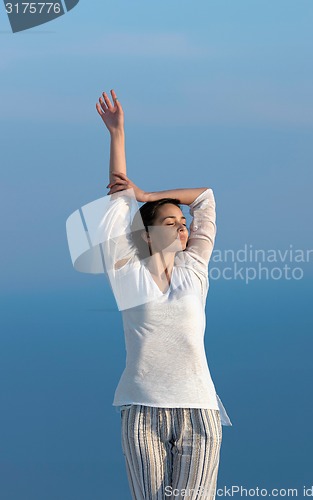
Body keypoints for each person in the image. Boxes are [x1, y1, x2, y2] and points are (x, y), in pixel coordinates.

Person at [66, 89, 232, 499]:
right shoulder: (127, 274)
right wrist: (117, 135)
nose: (182, 227)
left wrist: (151, 196)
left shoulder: (194, 270)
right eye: (170, 222)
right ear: (147, 234)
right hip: (142, 413)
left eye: (183, 222)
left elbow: (207, 198)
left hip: (199, 412)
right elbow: (117, 205)